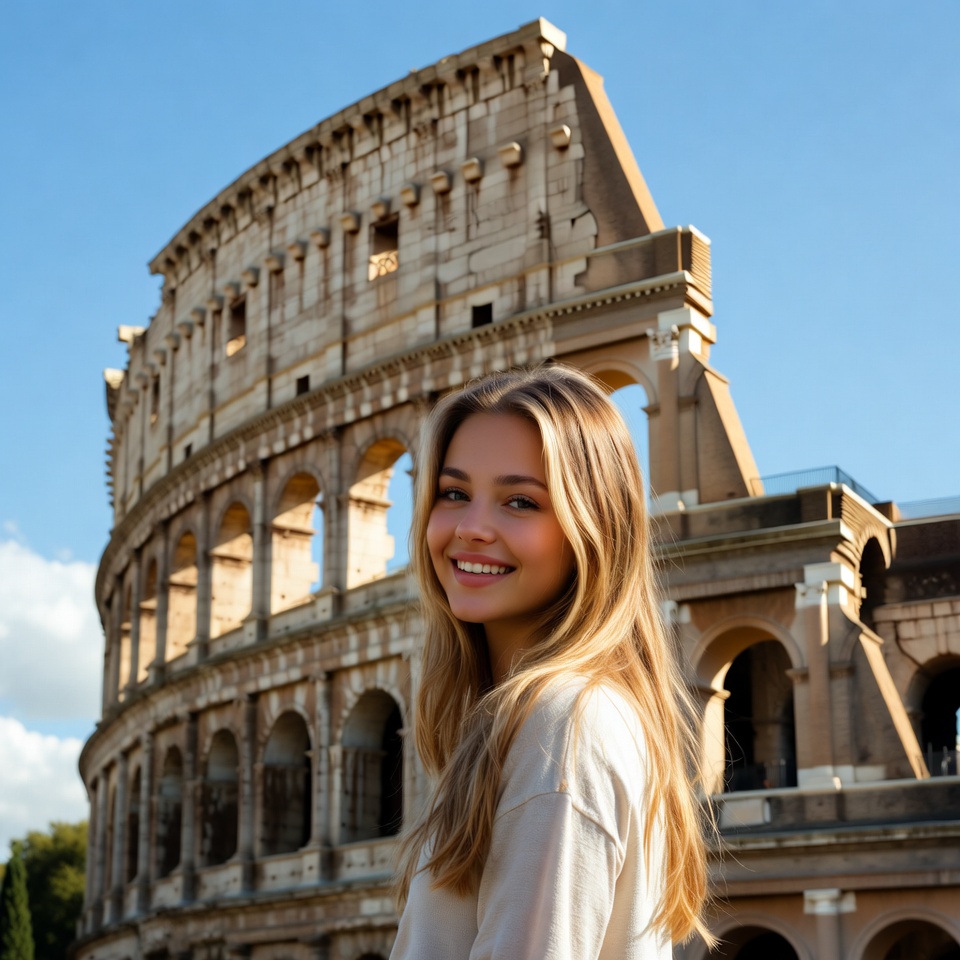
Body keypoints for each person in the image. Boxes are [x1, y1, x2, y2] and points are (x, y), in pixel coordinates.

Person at [390, 364, 715, 959]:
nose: (471, 528)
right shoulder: (546, 717)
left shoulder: (561, 729)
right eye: (454, 493)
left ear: (593, 530)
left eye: (520, 502)